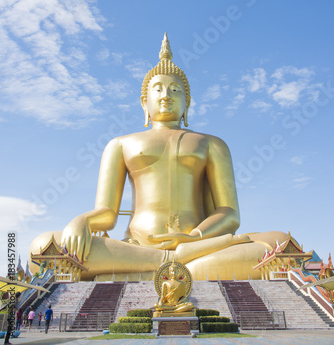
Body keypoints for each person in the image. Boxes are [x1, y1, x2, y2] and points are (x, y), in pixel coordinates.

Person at [29, 34, 290, 281]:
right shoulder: (120, 144)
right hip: (137, 246)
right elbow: (107, 214)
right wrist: (81, 221)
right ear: (144, 103)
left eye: (175, 90)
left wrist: (194, 237)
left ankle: (148, 266)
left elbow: (229, 213)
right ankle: (176, 264)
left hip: (199, 244)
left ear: (187, 104)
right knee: (42, 246)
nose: (166, 95)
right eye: (158, 89)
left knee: (277, 243)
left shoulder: (211, 144)